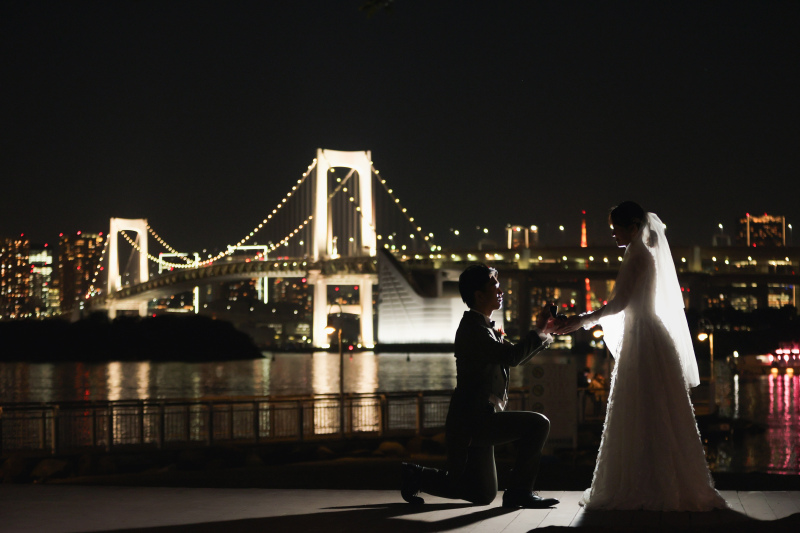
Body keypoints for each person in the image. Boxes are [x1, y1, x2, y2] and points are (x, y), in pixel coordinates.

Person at [554, 201, 727, 511]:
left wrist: (581, 320)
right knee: (657, 410)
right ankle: (666, 483)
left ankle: (640, 485)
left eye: (616, 229)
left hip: (643, 339)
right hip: (649, 336)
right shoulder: (640, 255)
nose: (613, 234)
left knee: (638, 408)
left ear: (633, 228)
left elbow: (620, 304)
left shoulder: (637, 257)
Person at [401, 264, 560, 508]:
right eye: (495, 286)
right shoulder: (473, 330)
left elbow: (513, 356)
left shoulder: (484, 327)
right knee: (538, 424)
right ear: (479, 294)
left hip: (479, 417)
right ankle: (519, 491)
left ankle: (417, 475)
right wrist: (539, 330)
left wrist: (543, 332)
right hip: (472, 419)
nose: (501, 290)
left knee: (481, 494)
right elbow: (512, 357)